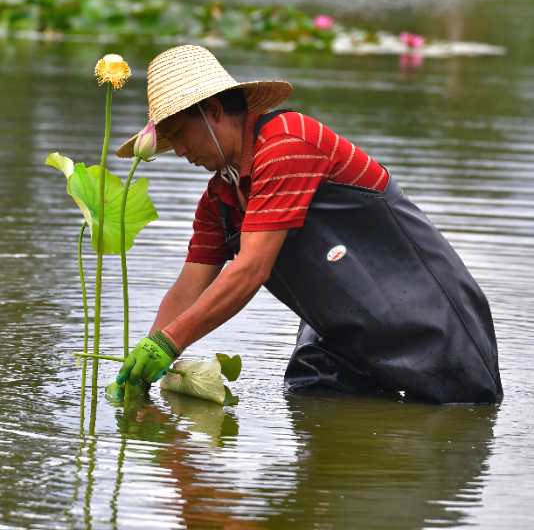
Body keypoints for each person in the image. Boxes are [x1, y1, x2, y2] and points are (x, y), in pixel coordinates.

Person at [115, 45, 503, 404]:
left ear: (214, 111)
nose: (180, 151)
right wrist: (145, 357)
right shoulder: (219, 200)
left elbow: (250, 269)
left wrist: (170, 344)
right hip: (343, 340)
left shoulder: (288, 143)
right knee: (311, 402)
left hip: (431, 330)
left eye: (180, 134)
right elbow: (189, 287)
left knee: (448, 430)